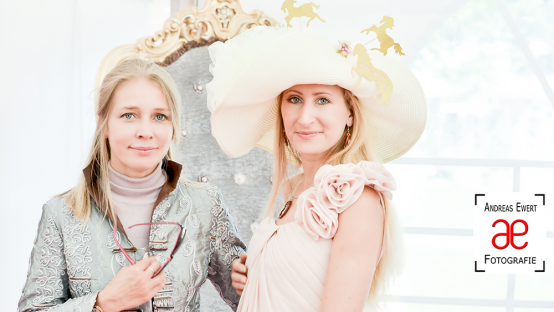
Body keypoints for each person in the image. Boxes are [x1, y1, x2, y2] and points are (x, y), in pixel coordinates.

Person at [206, 26, 427, 311]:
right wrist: (254, 275)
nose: (305, 118)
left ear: (349, 113)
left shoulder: (357, 197)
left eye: (322, 100)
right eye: (294, 99)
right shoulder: (294, 189)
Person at [18, 59, 246, 312]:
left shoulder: (206, 204)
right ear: (103, 122)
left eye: (160, 116)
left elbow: (252, 298)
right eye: (129, 115)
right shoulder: (60, 214)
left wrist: (255, 275)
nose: (145, 131)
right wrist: (101, 304)